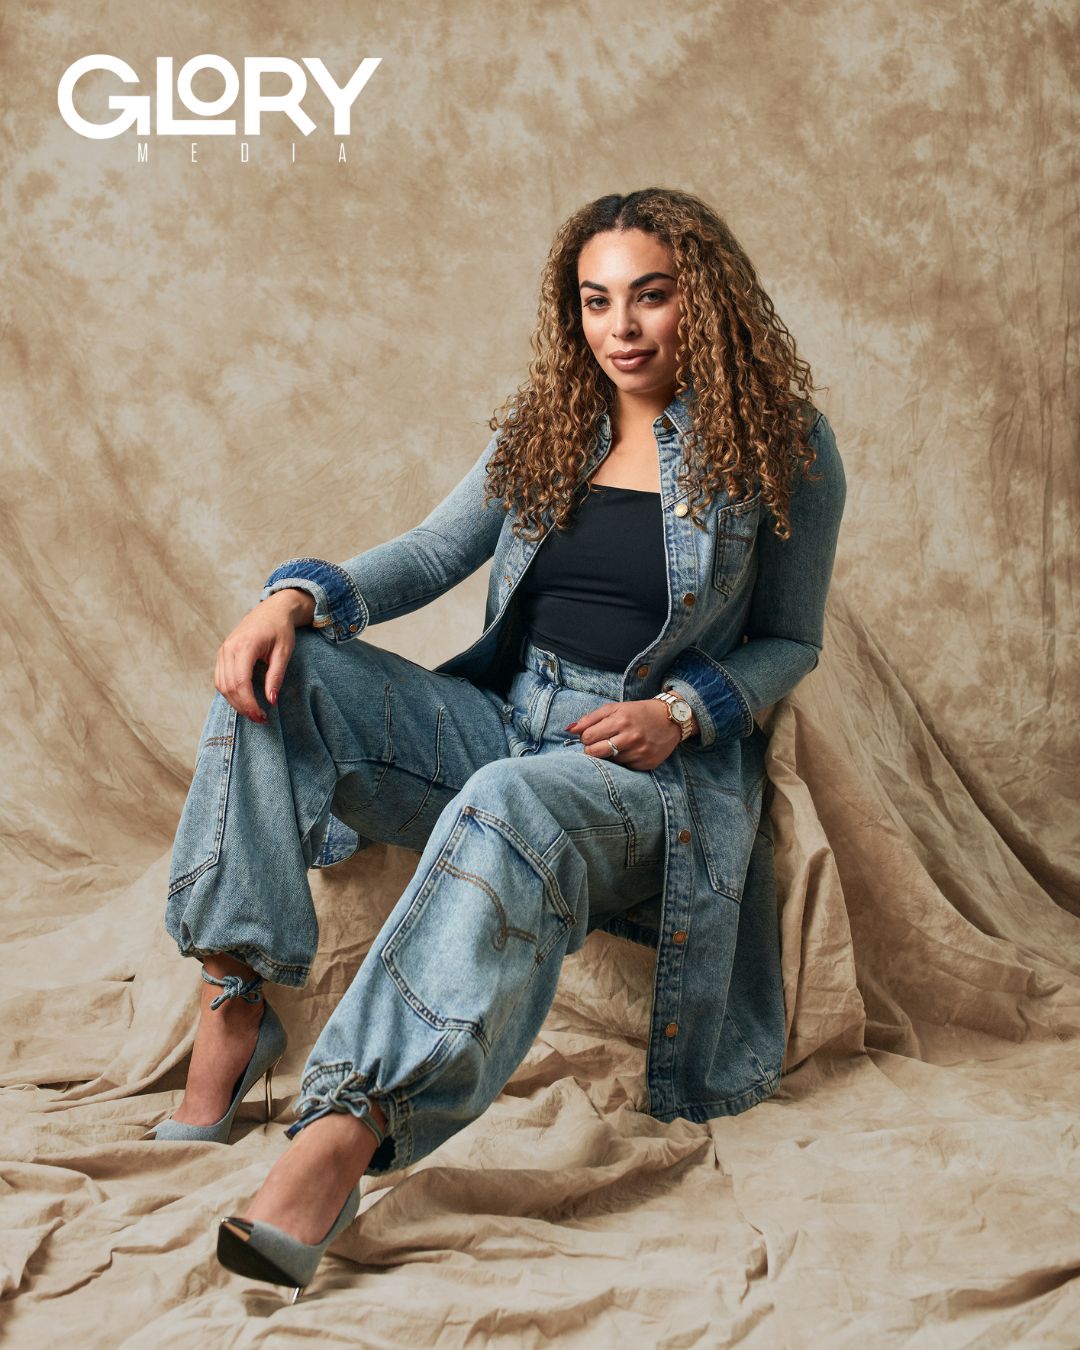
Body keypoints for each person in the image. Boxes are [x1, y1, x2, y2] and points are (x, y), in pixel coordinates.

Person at [153, 187, 846, 1298]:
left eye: (651, 297)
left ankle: (347, 1127)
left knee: (510, 801)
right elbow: (431, 555)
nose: (620, 328)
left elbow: (791, 640)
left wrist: (681, 713)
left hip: (635, 769)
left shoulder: (782, 447)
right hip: (504, 712)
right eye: (596, 301)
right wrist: (290, 596)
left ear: (703, 302)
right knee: (283, 682)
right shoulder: (549, 426)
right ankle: (232, 1001)